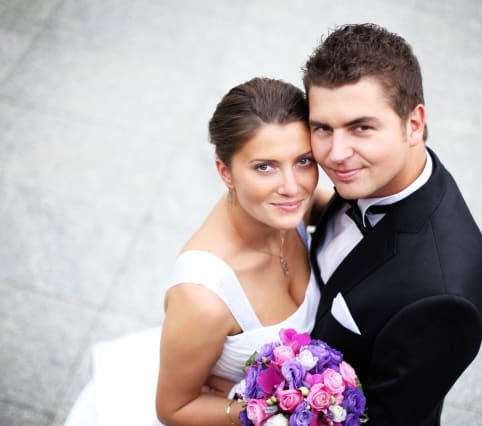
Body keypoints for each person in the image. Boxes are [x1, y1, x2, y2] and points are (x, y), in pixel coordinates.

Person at [64, 77, 330, 425]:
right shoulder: (202, 298)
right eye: (265, 166)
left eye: (303, 160)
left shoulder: (296, 206)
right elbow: (174, 408)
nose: (293, 187)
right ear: (225, 172)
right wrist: (286, 412)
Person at [303, 24, 482, 425]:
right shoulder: (372, 175)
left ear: (414, 123)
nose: (335, 155)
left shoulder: (443, 298)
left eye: (361, 127)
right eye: (323, 128)